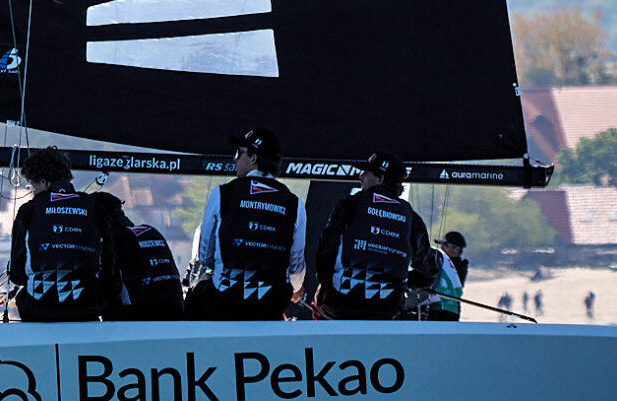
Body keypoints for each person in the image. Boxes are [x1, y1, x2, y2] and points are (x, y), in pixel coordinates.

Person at [186, 129, 306, 319]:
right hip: (270, 306)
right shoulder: (295, 204)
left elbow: (205, 257)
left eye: (238, 153)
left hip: (224, 302)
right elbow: (296, 266)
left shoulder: (222, 194)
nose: (234, 159)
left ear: (253, 158)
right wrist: (296, 289)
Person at [7, 149, 130, 320]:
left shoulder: (28, 211)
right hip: (88, 307)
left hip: (38, 309)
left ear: (44, 181)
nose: (34, 192)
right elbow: (110, 269)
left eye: (33, 186)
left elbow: (17, 273)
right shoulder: (95, 208)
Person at [312, 155, 436, 320]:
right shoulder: (411, 218)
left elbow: (326, 251)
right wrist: (407, 281)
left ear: (380, 179)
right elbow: (428, 271)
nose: (361, 177)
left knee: (318, 305)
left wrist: (325, 282)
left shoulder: (349, 204)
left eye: (366, 173)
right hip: (387, 307)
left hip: (339, 303)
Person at [112, 218, 185, 319]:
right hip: (176, 309)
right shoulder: (150, 231)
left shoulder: (116, 239)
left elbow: (109, 283)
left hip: (142, 313)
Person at [429, 229, 468, 322]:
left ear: (456, 249)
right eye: (441, 245)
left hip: (447, 310)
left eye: (445, 245)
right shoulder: (439, 262)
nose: (441, 248)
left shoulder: (458, 267)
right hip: (436, 307)